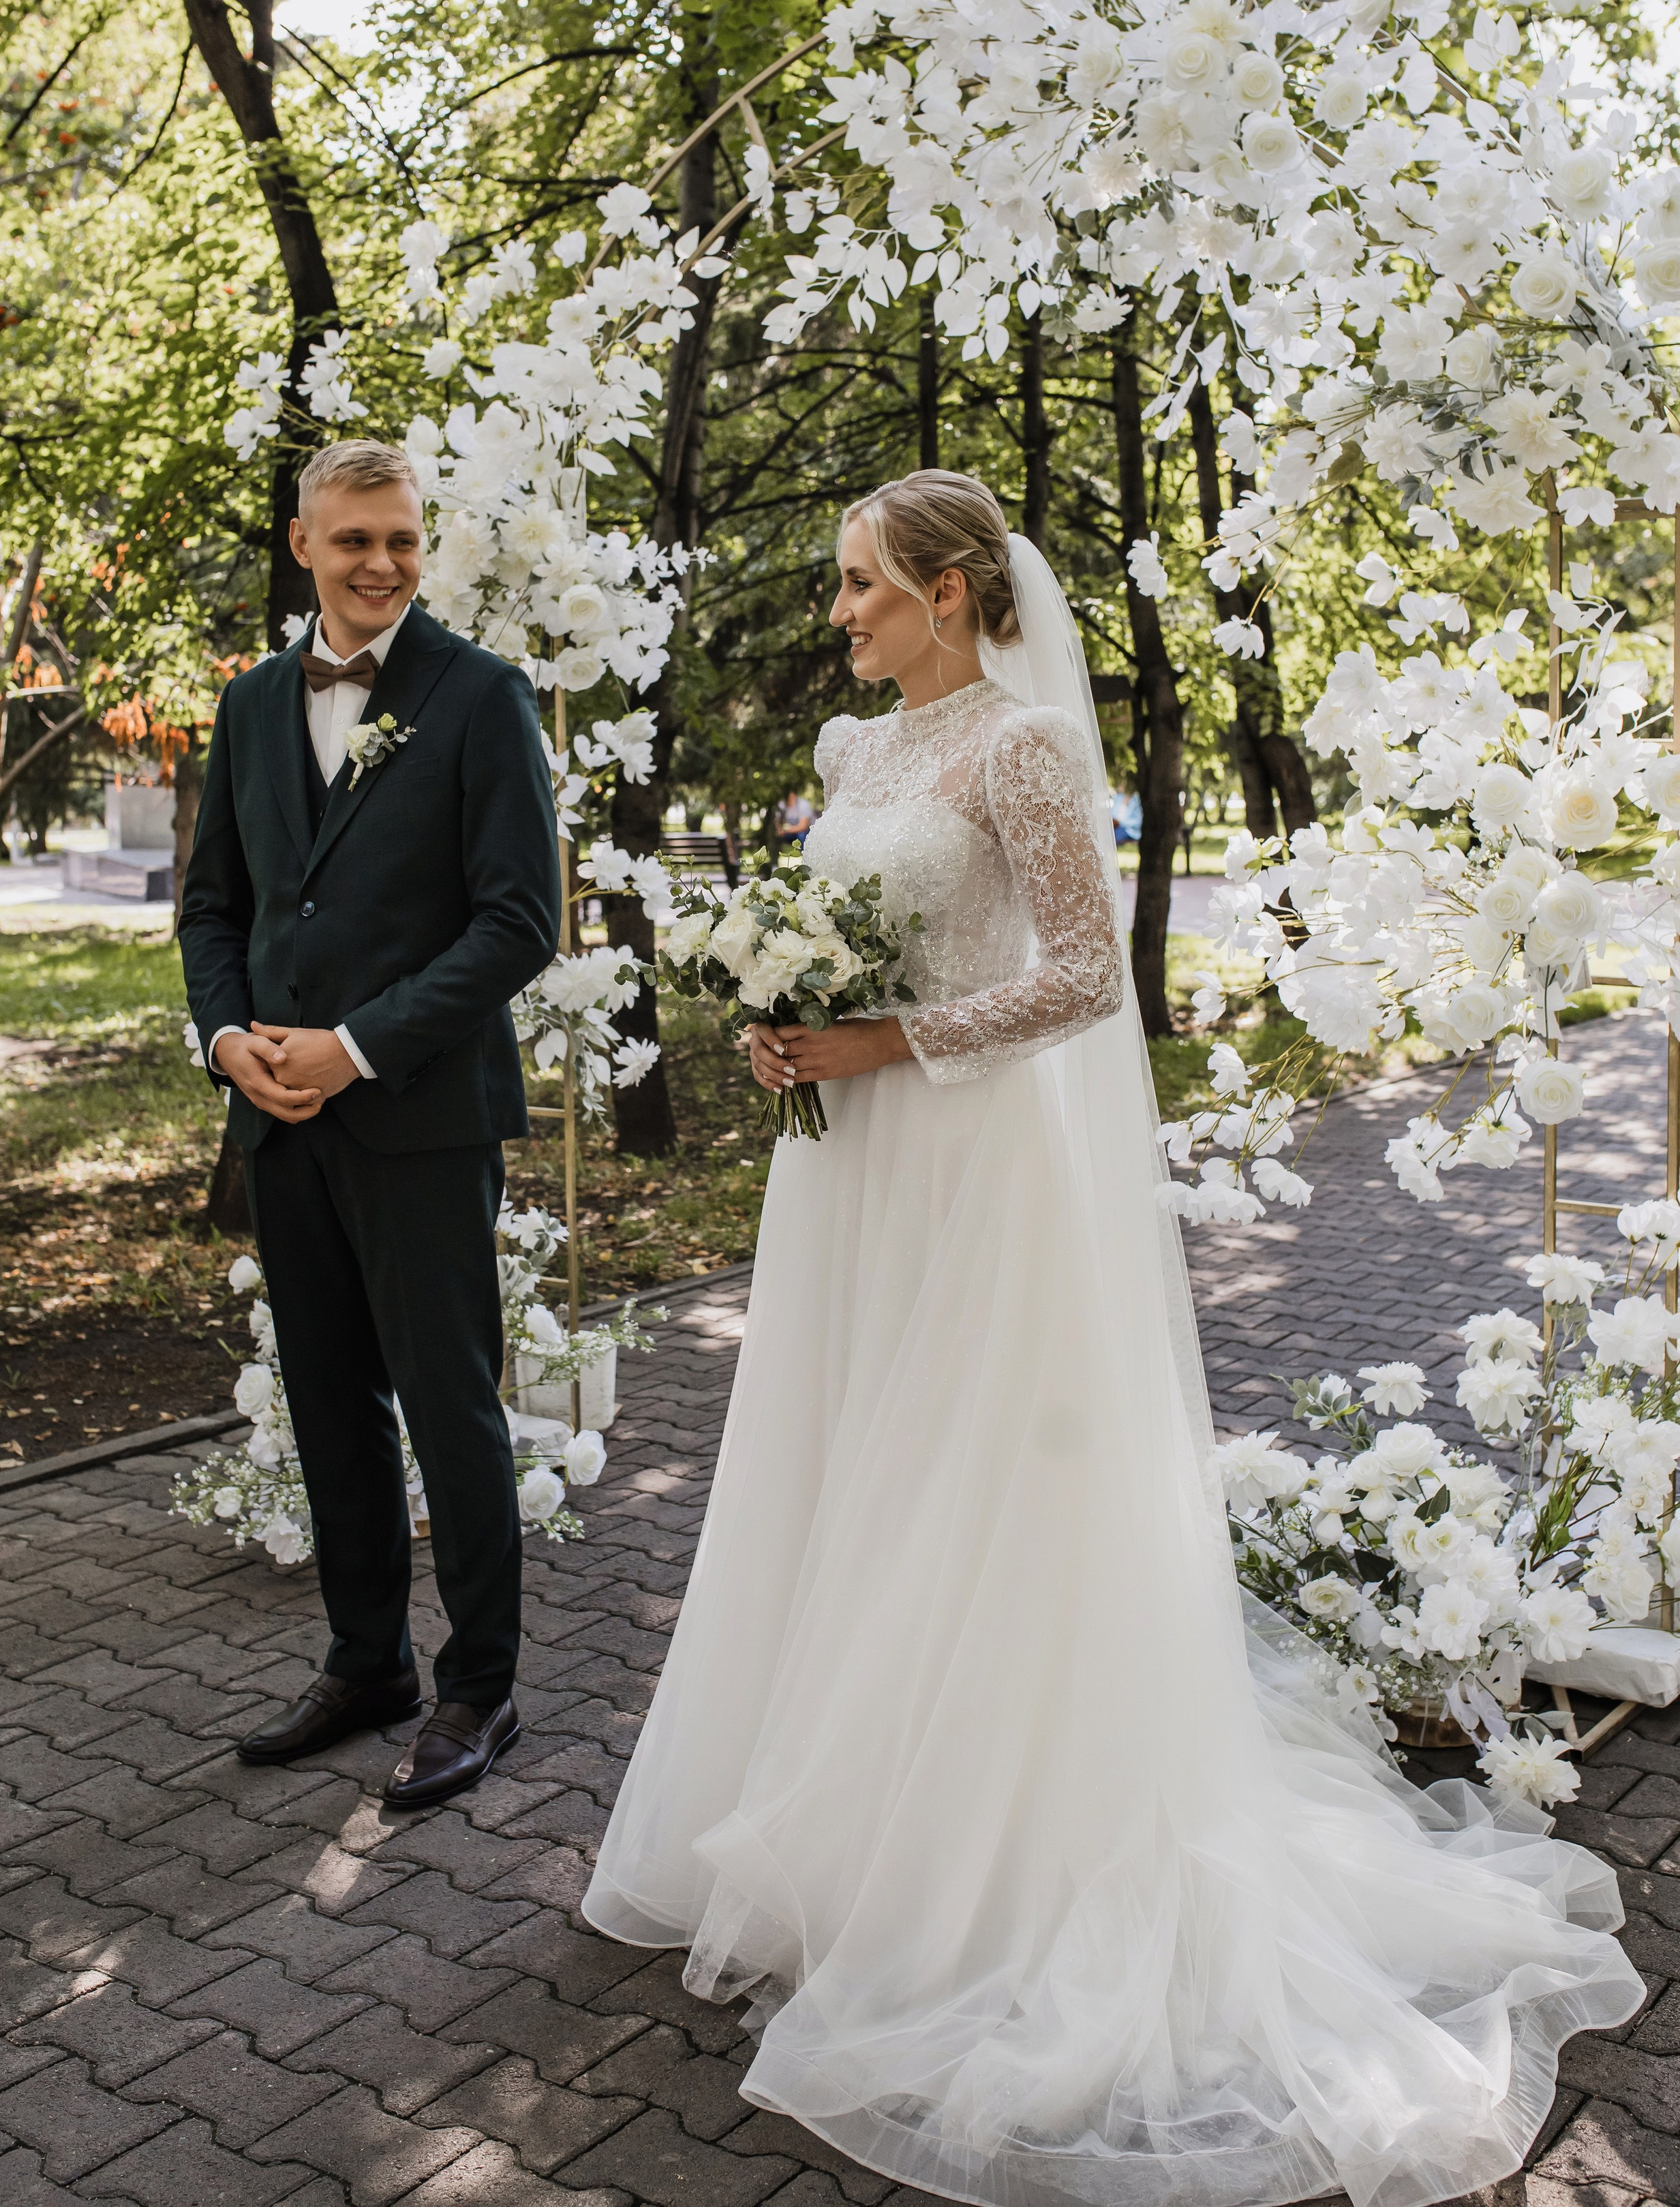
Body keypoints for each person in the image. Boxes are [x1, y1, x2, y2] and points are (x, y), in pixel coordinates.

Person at [582, 468, 1639, 2207]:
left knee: (966, 1479)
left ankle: (978, 1855)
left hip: (972, 1161)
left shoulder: (1020, 748)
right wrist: (786, 1023)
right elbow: (845, 945)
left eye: (859, 585)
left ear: (945, 592)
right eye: (837, 584)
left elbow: (1083, 976)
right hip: (846, 1171)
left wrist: (886, 1041)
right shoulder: (853, 753)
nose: (838, 613)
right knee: (839, 1456)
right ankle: (830, 1823)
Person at [179, 438, 558, 1808]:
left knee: (450, 1408)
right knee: (328, 1398)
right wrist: (230, 1043)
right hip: (279, 1118)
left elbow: (519, 922)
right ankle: (367, 1665)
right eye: (354, 540)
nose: (383, 563)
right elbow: (215, 908)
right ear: (304, 545)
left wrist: (353, 1049)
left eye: (402, 538)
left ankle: (479, 1687)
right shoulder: (249, 704)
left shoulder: (482, 696)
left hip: (419, 1114)